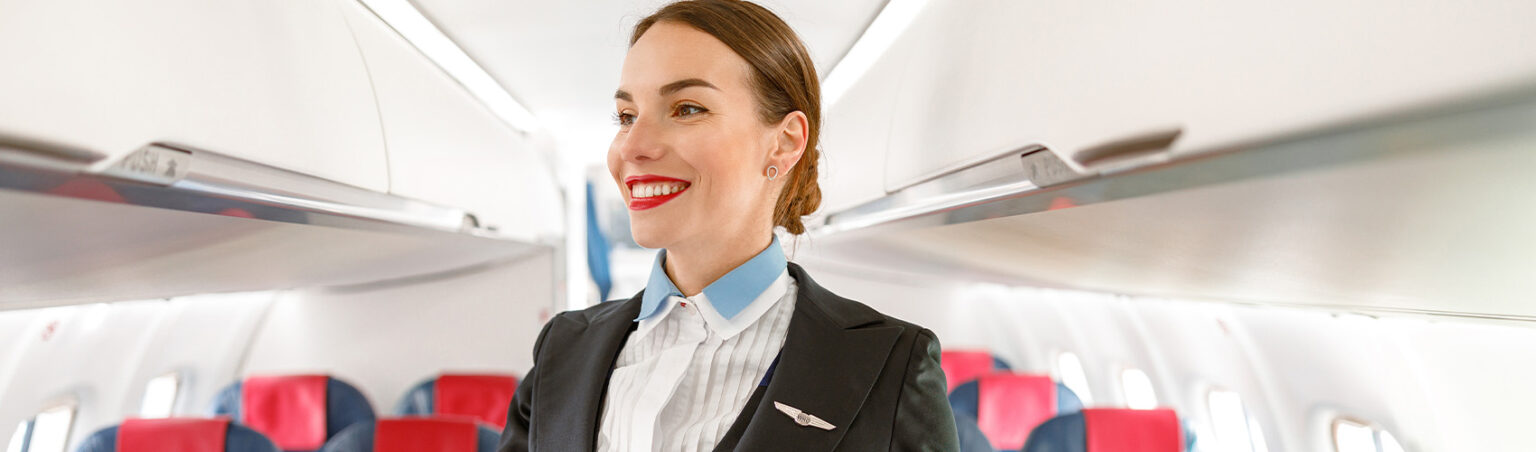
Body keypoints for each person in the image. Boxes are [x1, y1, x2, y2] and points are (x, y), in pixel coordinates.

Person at [497, 1, 957, 450]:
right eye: (626, 116)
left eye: (687, 108)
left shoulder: (889, 365)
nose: (633, 145)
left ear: (784, 142)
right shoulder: (564, 348)